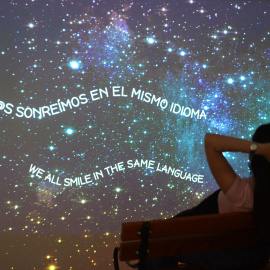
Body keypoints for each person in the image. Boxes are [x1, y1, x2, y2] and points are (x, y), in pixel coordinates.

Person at [146, 123, 270, 270]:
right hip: (255, 257)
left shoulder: (243, 193)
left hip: (227, 257)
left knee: (156, 243)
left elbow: (211, 142)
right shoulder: (248, 193)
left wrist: (260, 149)